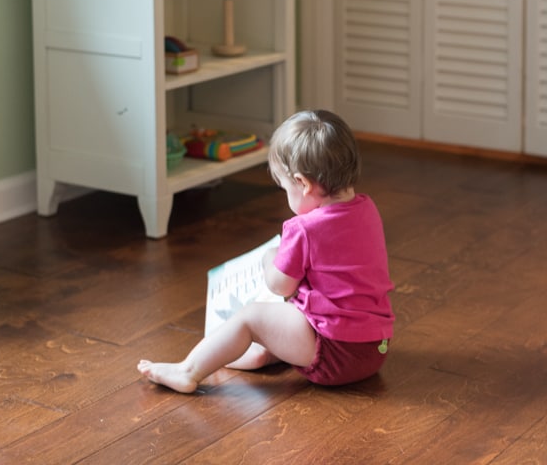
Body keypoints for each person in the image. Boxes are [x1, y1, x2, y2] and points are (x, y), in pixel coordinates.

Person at [137, 109, 395, 393]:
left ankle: (188, 370)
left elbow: (280, 285)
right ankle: (253, 352)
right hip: (373, 350)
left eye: (285, 187)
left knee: (251, 317)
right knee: (271, 333)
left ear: (303, 184)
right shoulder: (367, 209)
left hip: (334, 353)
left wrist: (269, 258)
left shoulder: (304, 228)